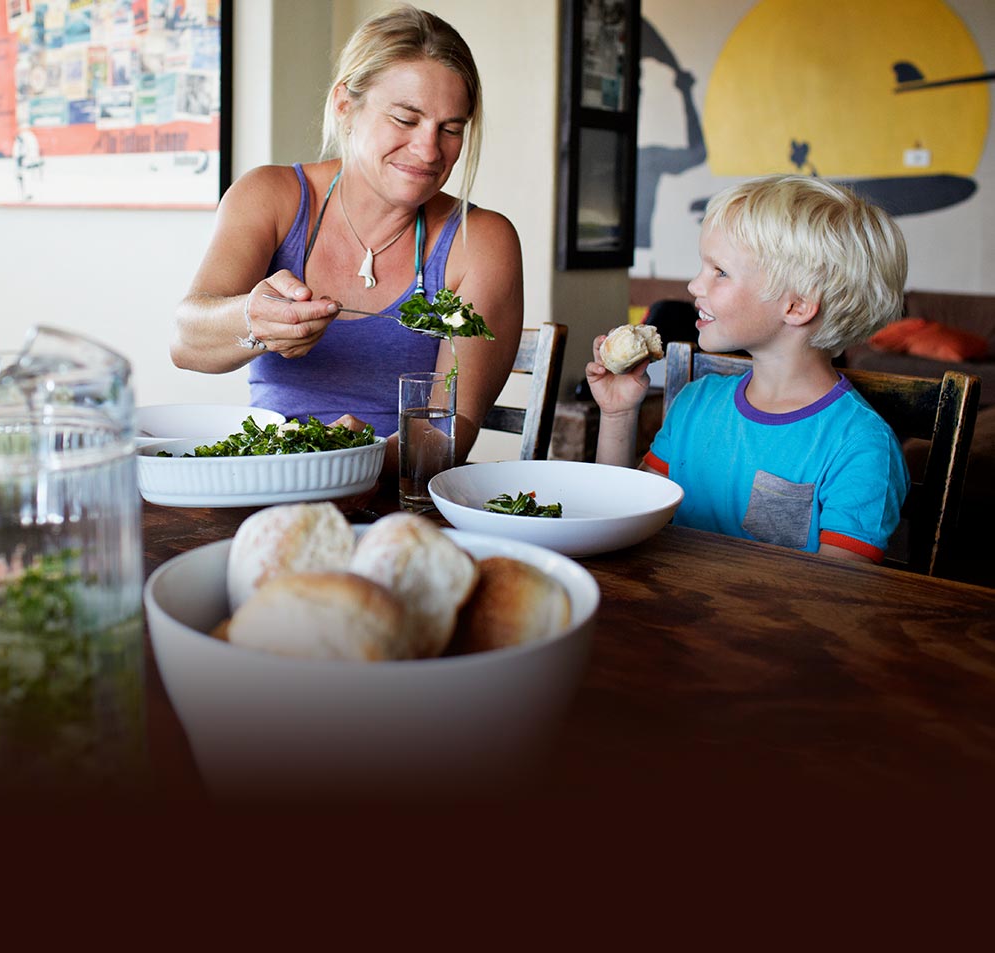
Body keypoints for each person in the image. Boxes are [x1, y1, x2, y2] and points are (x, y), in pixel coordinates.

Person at [170, 5, 523, 479]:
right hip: (264, 480)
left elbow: (448, 432)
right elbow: (187, 343)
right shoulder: (269, 197)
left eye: (451, 129)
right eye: (405, 119)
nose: (429, 150)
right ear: (344, 105)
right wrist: (253, 319)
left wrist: (356, 456)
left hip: (397, 499)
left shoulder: (481, 241)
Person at [588, 174, 910, 564]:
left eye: (719, 272)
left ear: (797, 306)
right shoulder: (695, 403)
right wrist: (618, 413)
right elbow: (620, 515)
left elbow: (836, 601)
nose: (693, 285)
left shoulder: (860, 446)